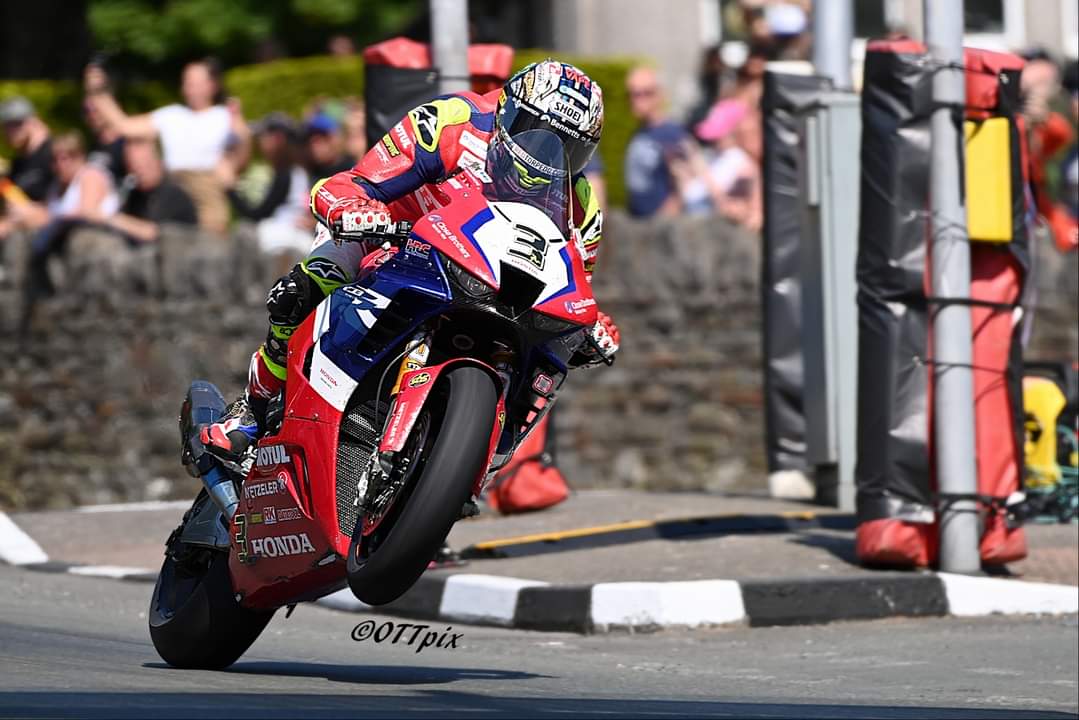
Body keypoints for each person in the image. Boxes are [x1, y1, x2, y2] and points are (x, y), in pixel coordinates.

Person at [201, 59, 619, 459]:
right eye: (533, 134)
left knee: (539, 365)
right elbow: (352, 183)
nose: (543, 157)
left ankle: (465, 456)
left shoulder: (580, 205)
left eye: (567, 149)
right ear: (507, 111)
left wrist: (588, 329)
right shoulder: (451, 121)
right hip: (391, 241)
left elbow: (571, 284)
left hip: (484, 284)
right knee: (310, 287)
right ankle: (254, 407)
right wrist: (352, 209)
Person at [83, 58, 245, 234]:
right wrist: (98, 92)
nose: (189, 87)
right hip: (172, 190)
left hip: (207, 192)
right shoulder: (172, 115)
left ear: (212, 85)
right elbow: (124, 126)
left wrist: (238, 125)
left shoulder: (223, 116)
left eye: (196, 82)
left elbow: (241, 155)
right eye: (187, 82)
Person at [220, 112, 312, 256]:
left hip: (284, 243)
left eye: (263, 137)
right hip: (296, 240)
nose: (260, 142)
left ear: (277, 139)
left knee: (243, 232)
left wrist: (229, 187)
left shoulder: (286, 173)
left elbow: (257, 215)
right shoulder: (298, 170)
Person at [623, 65, 691, 218]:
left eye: (645, 93)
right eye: (632, 94)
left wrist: (660, 222)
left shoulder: (671, 133)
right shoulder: (641, 132)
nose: (636, 100)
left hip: (661, 230)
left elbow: (684, 185)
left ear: (660, 95)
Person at [104, 137, 198, 244]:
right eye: (133, 165)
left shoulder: (174, 193)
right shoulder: (134, 195)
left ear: (159, 161)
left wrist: (110, 218)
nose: (139, 170)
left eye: (144, 164)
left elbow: (154, 233)